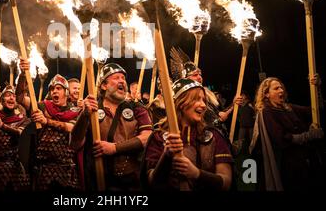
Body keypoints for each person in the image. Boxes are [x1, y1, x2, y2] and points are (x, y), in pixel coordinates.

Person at [70, 63, 152, 191]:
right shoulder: (91, 110)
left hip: (132, 185)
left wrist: (114, 148)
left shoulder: (137, 108)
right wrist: (84, 115)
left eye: (123, 78)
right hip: (98, 184)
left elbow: (147, 137)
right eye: (116, 78)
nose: (122, 81)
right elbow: (74, 144)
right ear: (104, 85)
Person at [143, 78, 233, 191]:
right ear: (181, 103)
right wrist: (166, 156)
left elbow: (226, 182)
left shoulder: (214, 136)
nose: (204, 105)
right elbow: (151, 183)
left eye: (204, 100)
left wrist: (197, 174)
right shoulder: (158, 137)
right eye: (196, 99)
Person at [17, 58, 82, 191]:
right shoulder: (41, 106)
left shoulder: (75, 110)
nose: (54, 92)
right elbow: (20, 98)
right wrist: (23, 74)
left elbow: (71, 128)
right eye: (52, 89)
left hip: (66, 168)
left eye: (58, 88)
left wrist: (46, 121)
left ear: (66, 92)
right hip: (44, 168)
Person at [250, 77, 324, 191]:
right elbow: (282, 139)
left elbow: (315, 110)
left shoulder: (288, 108)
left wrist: (317, 89)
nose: (281, 91)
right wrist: (309, 136)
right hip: (288, 166)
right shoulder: (267, 112)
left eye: (281, 87)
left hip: (305, 160)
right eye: (276, 88)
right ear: (266, 94)